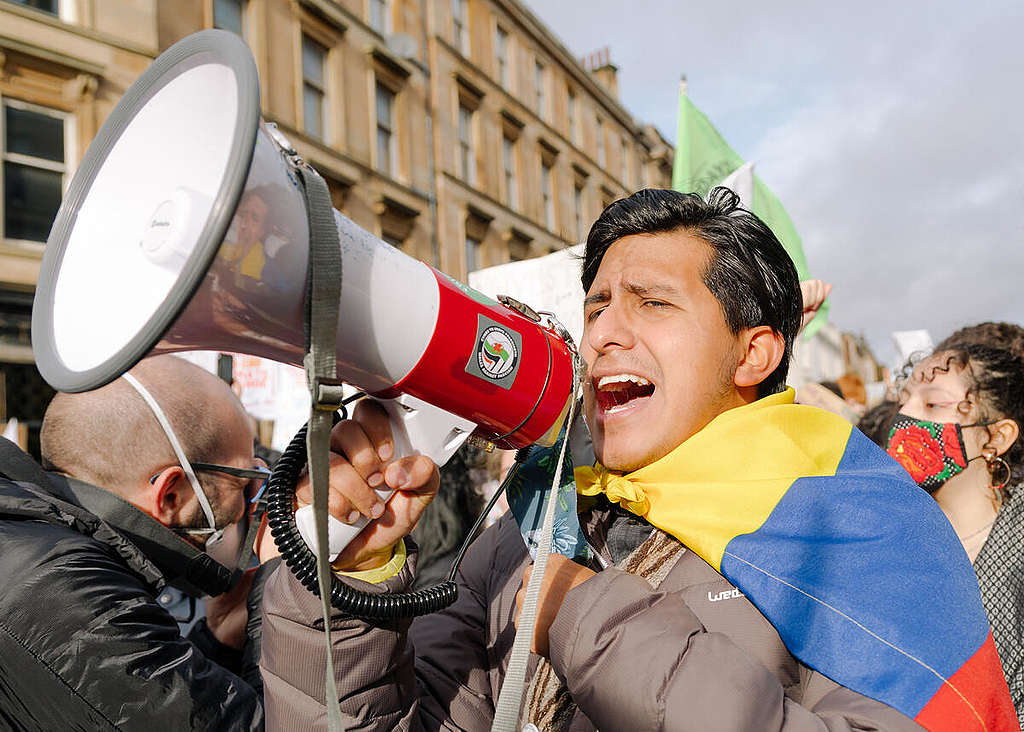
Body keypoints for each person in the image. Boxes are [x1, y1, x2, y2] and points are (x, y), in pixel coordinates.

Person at [259, 188, 1014, 730]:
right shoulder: (537, 521)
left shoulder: (865, 529)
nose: (602, 336)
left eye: (651, 302)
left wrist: (584, 616)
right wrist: (348, 582)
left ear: (754, 352)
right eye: (596, 306)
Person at [0, 355, 270, 729]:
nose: (248, 504)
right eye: (241, 483)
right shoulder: (58, 585)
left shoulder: (37, 542)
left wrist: (216, 643)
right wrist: (286, 607)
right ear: (171, 494)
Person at [884, 332, 1024, 723]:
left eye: (932, 403)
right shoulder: (893, 535)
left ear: (996, 437)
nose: (906, 417)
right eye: (903, 400)